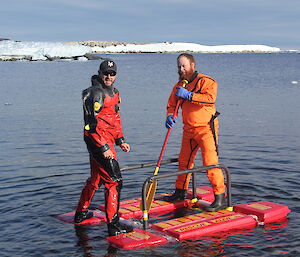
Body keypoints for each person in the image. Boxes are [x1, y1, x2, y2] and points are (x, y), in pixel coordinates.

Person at [74, 59, 133, 236]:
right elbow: (90, 126)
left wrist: (120, 139)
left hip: (107, 142)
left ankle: (81, 213)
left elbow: (115, 119)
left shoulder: (114, 93)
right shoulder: (94, 93)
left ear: (116, 75)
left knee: (96, 179)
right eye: (106, 73)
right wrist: (103, 147)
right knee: (115, 181)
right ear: (100, 73)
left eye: (112, 73)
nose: (108, 76)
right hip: (97, 142)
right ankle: (113, 226)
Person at [163, 53, 227, 212]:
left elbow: (210, 98)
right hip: (188, 130)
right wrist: (170, 116)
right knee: (184, 161)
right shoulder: (178, 86)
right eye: (179, 66)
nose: (181, 69)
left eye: (184, 66)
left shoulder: (206, 81)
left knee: (210, 162)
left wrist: (189, 95)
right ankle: (180, 192)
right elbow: (171, 104)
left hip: (206, 128)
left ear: (192, 66)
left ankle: (220, 197)